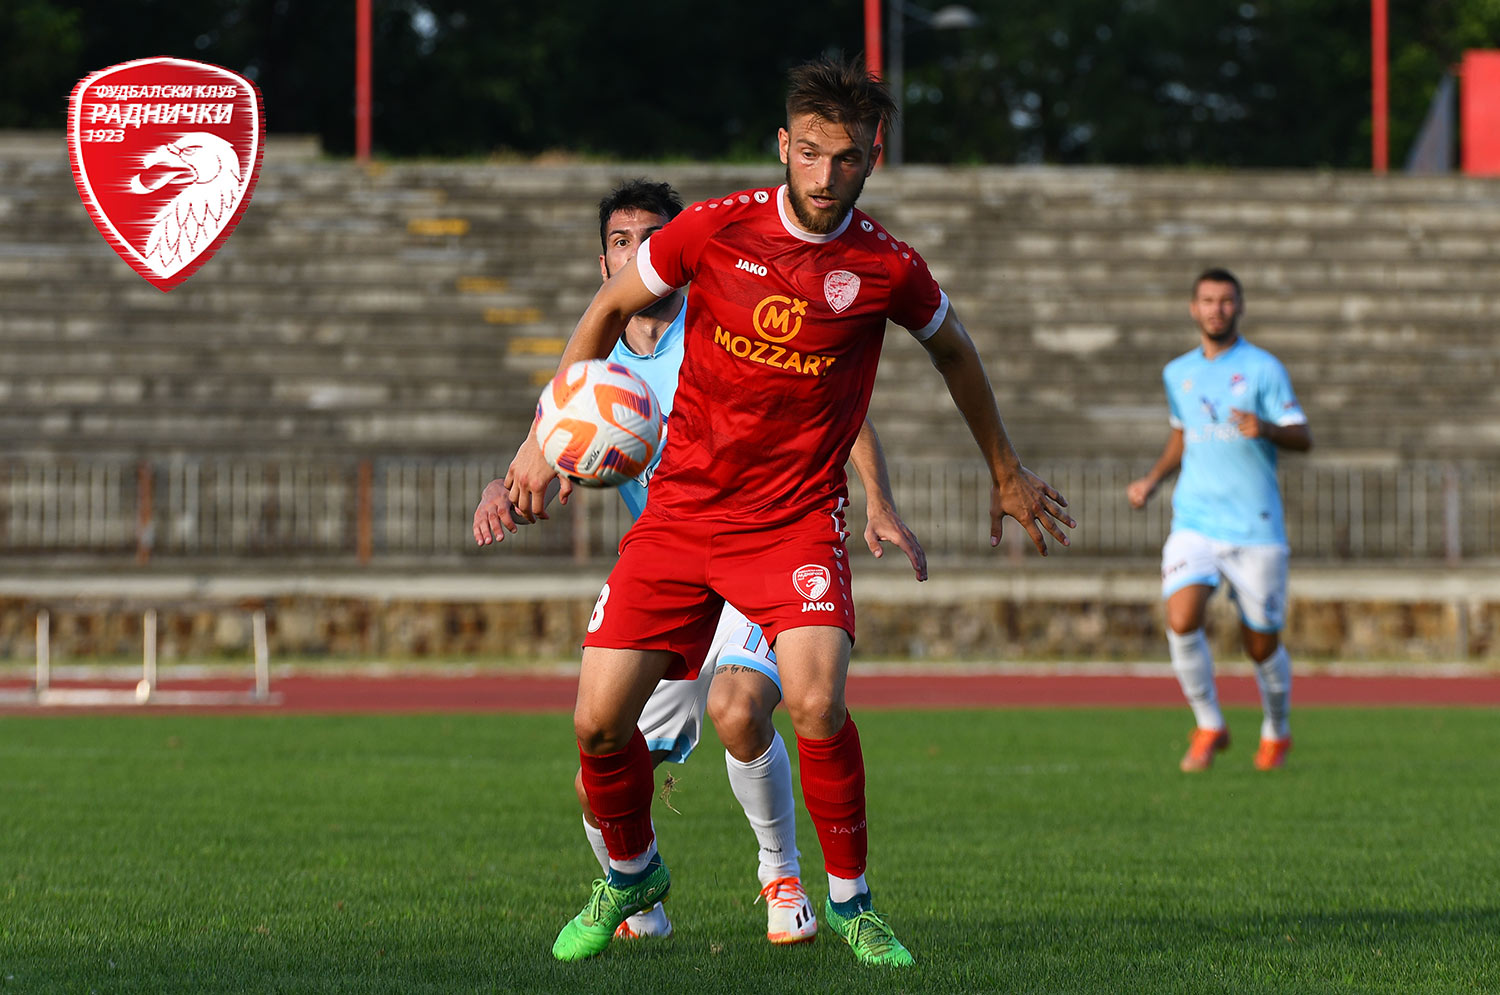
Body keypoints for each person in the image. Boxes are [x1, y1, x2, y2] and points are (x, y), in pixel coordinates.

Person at [506, 56, 1074, 967]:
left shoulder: (885, 266)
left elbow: (956, 352)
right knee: (596, 726)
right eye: (807, 152)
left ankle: (848, 899)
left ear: (873, 157)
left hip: (795, 520)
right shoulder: (714, 229)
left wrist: (1004, 470)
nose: (821, 174)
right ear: (783, 145)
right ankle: (631, 873)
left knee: (811, 700)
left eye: (843, 158)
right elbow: (611, 303)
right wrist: (542, 436)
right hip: (683, 515)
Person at [473, 178, 927, 946]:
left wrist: (877, 499)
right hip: (673, 564)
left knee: (740, 708)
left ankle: (782, 877)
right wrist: (511, 481)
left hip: (762, 548)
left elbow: (842, 415)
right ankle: (638, 895)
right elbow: (553, 441)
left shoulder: (720, 321)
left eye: (653, 237)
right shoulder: (592, 370)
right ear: (605, 257)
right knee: (598, 760)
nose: (637, 251)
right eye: (623, 240)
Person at [1127, 268, 1312, 773]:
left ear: (1240, 307)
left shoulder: (1264, 369)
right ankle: (1210, 723)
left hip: (1255, 526)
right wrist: (1152, 480)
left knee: (1261, 645)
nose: (1216, 309)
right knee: (1182, 618)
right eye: (1208, 301)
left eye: (1226, 301)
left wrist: (1267, 428)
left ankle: (1277, 730)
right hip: (1194, 520)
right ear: (1193, 308)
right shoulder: (1177, 373)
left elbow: (1303, 435)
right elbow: (1183, 435)